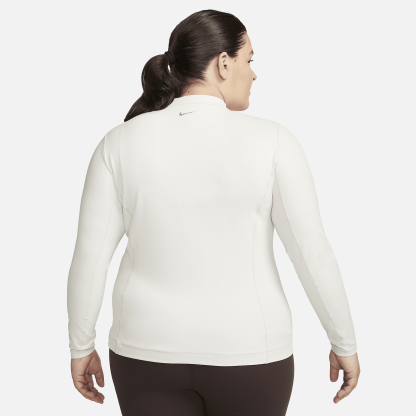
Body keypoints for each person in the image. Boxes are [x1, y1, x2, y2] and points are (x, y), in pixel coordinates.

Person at [67, 9, 360, 416]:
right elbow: (311, 252)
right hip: (251, 355)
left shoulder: (117, 143)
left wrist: (80, 346)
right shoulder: (274, 142)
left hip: (144, 353)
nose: (254, 74)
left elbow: (90, 257)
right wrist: (344, 341)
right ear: (224, 63)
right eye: (249, 60)